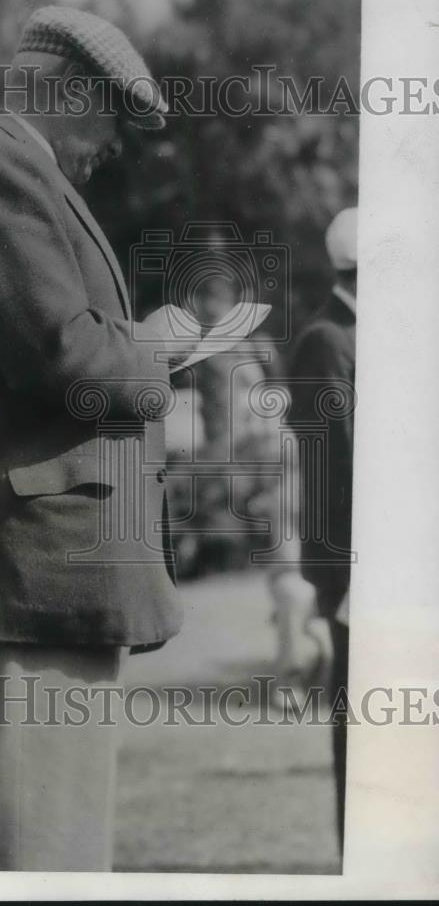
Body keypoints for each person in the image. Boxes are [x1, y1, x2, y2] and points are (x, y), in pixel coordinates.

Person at [0, 6, 203, 871]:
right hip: (34, 569)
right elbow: (59, 355)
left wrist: (134, 346)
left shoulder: (6, 169)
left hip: (47, 567)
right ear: (65, 88)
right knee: (42, 856)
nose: (114, 144)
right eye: (111, 115)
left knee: (57, 850)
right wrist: (157, 346)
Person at [287, 207, 358, 856]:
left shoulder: (357, 336)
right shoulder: (328, 341)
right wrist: (337, 580)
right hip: (356, 566)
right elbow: (334, 466)